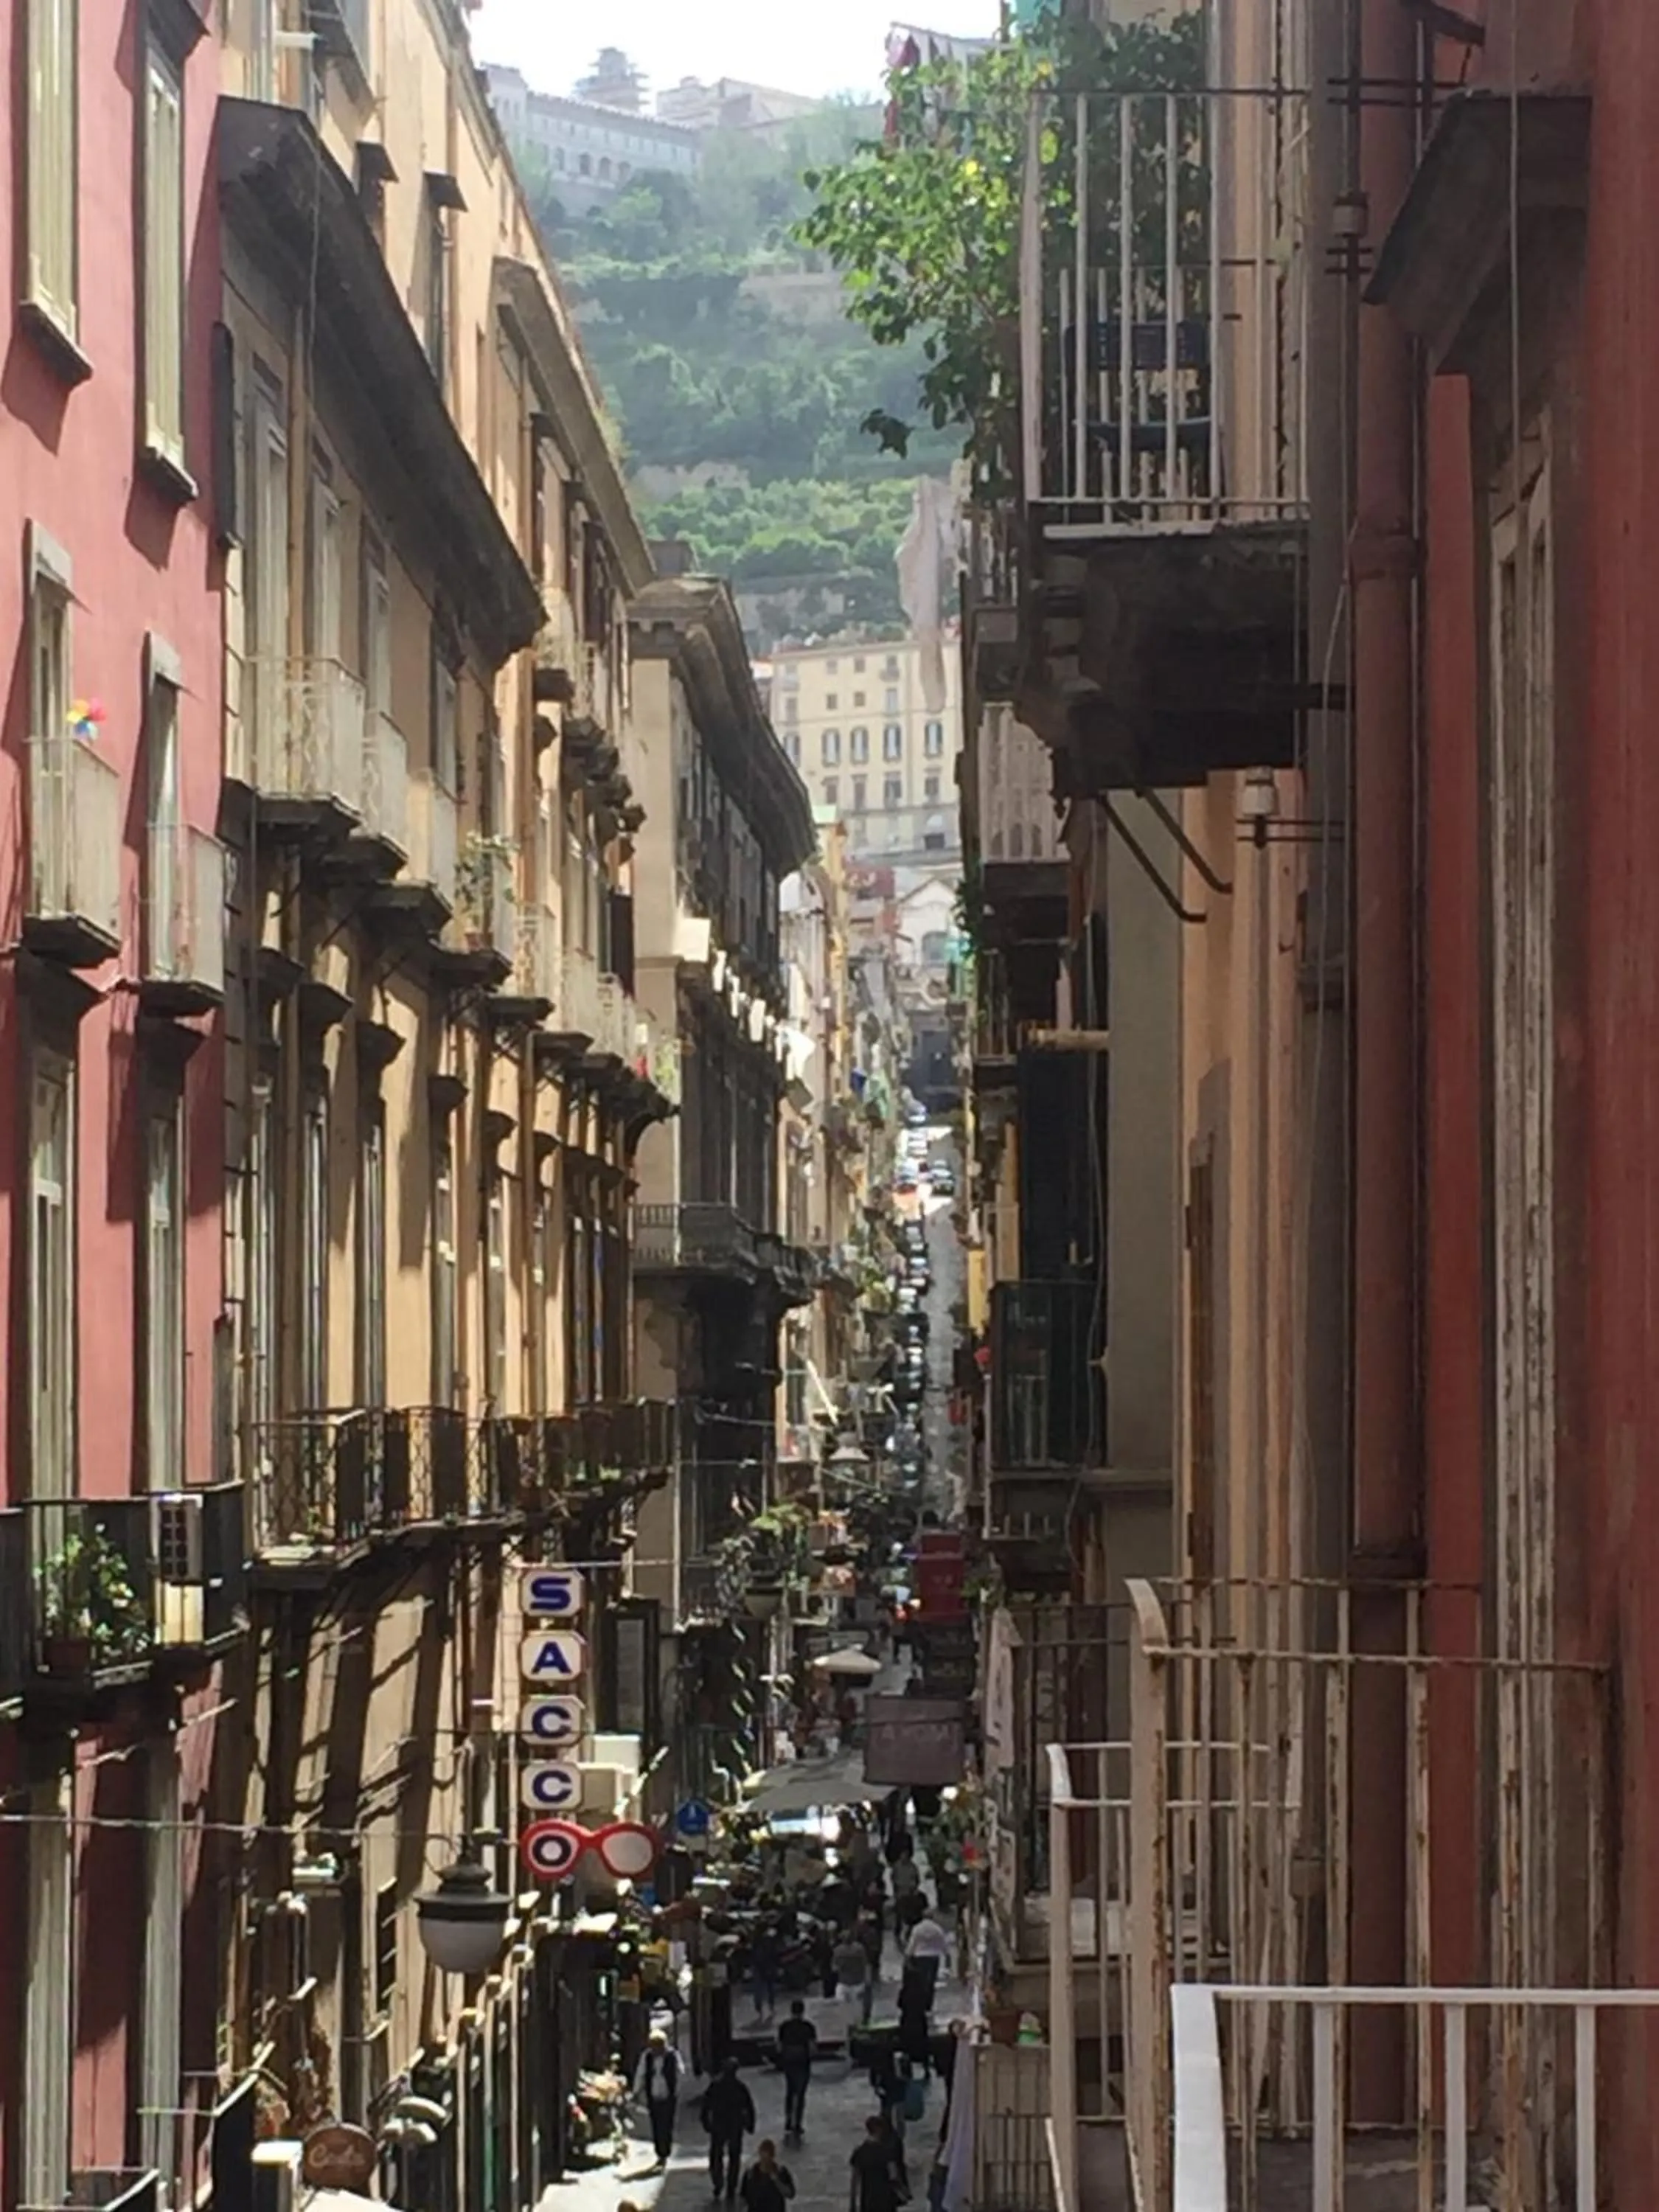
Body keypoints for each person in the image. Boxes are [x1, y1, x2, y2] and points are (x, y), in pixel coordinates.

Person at [701, 2057, 757, 2205]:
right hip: (734, 2126)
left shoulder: (716, 2086)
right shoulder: (740, 2087)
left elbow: (706, 2106)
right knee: (734, 2157)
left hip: (720, 2126)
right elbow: (749, 2107)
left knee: (717, 2156)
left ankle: (718, 2182)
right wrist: (750, 2125)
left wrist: (706, 2122)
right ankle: (730, 2187)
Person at [633, 2029, 683, 2168]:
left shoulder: (672, 2056)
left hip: (668, 2095)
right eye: (653, 2046)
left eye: (658, 2046)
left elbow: (679, 2073)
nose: (655, 2049)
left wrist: (676, 2093)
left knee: (667, 2125)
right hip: (653, 2095)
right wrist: (637, 2091)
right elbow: (641, 2074)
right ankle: (660, 2152)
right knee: (656, 2124)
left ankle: (665, 2151)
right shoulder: (647, 2057)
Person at [775, 1997, 818, 2139]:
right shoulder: (808, 2027)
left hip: (789, 2062)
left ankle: (788, 2121)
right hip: (802, 2063)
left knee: (790, 2091)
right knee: (800, 2094)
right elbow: (812, 2048)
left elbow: (779, 2047)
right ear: (803, 2011)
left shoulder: (784, 2026)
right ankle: (797, 2123)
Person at [850, 2115, 910, 2212]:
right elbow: (894, 2177)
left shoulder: (859, 2152)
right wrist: (905, 2193)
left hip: (868, 2201)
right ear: (879, 2129)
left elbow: (854, 2181)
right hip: (886, 2201)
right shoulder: (887, 2152)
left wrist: (852, 2204)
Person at [740, 2140, 796, 2212]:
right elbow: (742, 2199)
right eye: (763, 2158)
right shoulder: (750, 2174)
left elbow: (790, 2194)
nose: (765, 2162)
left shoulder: (781, 2172)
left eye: (768, 2159)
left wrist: (776, 2180)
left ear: (772, 2156)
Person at [834, 1924, 875, 2023]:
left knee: (843, 2009)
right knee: (857, 2009)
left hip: (844, 1982)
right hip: (858, 1982)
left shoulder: (838, 1951)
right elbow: (865, 1964)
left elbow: (835, 1967)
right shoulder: (860, 1949)